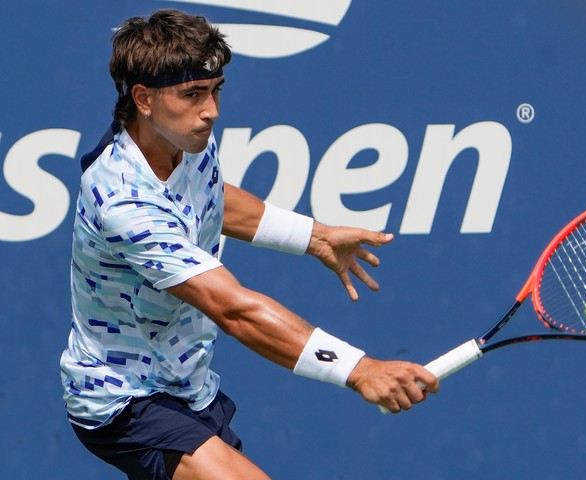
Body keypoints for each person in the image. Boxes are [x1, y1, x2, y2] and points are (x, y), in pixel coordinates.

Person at [59, 9, 438, 480]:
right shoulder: (124, 202)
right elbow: (234, 310)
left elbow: (211, 199)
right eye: (193, 94)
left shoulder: (183, 140)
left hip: (187, 383)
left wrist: (313, 236)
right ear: (144, 99)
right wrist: (360, 370)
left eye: (216, 90)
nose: (212, 110)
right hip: (122, 398)